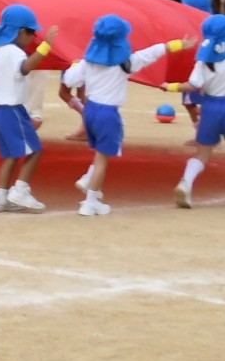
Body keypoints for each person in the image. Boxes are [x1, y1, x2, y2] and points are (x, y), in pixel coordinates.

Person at [59, 15, 191, 217]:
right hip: (108, 113)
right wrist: (178, 45)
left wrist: (76, 65)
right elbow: (151, 53)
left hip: (90, 110)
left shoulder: (88, 63)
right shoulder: (126, 64)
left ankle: (89, 182)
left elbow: (69, 80)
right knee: (103, 158)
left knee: (102, 151)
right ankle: (90, 202)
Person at [0, 5, 56, 213]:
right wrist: (46, 46)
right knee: (35, 151)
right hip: (12, 110)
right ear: (21, 32)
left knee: (11, 155)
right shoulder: (14, 52)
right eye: (32, 33)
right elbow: (25, 67)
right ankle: (21, 190)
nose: (33, 38)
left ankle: (0, 198)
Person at [174, 14, 225, 209]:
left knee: (202, 153)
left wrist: (170, 86)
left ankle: (186, 182)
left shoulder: (204, 62)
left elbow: (193, 85)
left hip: (210, 106)